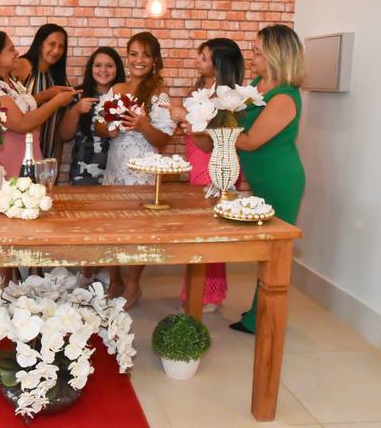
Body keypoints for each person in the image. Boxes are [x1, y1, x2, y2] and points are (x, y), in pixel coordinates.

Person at [184, 24, 306, 333]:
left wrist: (210, 122)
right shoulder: (257, 85)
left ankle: (264, 320)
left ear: (276, 56)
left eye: (258, 52)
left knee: (274, 252)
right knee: (263, 249)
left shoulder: (285, 97)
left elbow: (250, 141)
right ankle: (257, 314)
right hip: (259, 176)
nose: (252, 57)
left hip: (280, 179)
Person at [0, 29, 77, 285]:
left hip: (28, 153)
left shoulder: (10, 82)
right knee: (8, 220)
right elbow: (21, 123)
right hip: (10, 157)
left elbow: (23, 103)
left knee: (31, 212)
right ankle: (7, 281)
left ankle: (33, 275)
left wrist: (49, 93)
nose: (17, 52)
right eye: (11, 49)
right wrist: (56, 103)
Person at [94, 32, 176, 307]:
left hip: (143, 168)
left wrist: (142, 125)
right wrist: (109, 129)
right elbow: (98, 124)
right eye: (133, 54)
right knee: (111, 226)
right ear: (127, 57)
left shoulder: (159, 94)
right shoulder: (116, 88)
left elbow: (162, 140)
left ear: (154, 60)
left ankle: (132, 283)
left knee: (140, 229)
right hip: (116, 166)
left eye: (146, 55)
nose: (139, 60)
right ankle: (115, 279)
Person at [168, 38, 245, 313]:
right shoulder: (204, 90)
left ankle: (208, 295)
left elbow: (210, 142)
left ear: (220, 64)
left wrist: (184, 118)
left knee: (208, 233)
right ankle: (198, 291)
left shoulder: (226, 97)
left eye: (204, 57)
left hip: (215, 166)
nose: (197, 60)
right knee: (199, 231)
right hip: (199, 162)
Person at [59, 46, 125, 185]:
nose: (103, 70)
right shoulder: (78, 95)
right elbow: (65, 135)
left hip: (118, 173)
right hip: (83, 175)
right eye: (98, 65)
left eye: (109, 66)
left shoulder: (125, 98)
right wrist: (76, 110)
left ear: (117, 69)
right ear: (91, 68)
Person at [15, 24, 70, 165]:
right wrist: (48, 95)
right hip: (21, 153)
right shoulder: (22, 66)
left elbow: (58, 127)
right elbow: (13, 111)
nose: (56, 51)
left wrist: (56, 161)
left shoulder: (58, 77)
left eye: (61, 46)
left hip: (47, 154)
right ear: (40, 44)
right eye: (52, 44)